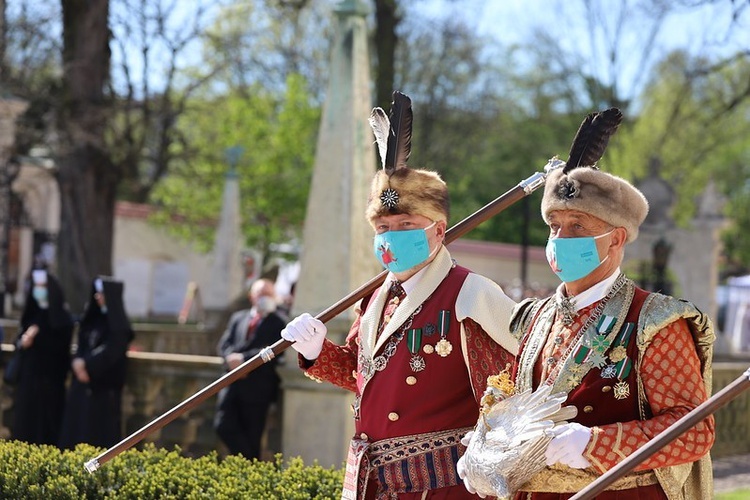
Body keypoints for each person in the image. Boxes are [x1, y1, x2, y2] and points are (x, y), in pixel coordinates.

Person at [462, 109, 715, 499]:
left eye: (577, 226)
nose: (561, 238)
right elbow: (512, 399)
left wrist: (595, 443)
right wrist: (484, 445)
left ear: (615, 240)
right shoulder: (535, 316)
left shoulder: (657, 321)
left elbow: (694, 431)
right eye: (554, 226)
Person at [281, 91, 518, 499]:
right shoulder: (375, 298)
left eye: (407, 223)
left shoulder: (471, 293)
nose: (392, 237)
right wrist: (318, 352)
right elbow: (362, 376)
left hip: (440, 485)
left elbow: (513, 389)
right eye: (383, 227)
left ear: (439, 230)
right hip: (370, 481)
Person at [214, 278, 286, 460]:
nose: (265, 298)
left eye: (269, 294)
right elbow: (224, 344)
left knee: (252, 436)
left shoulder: (279, 322)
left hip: (257, 389)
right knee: (223, 425)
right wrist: (231, 359)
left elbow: (275, 350)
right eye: (261, 294)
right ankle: (246, 463)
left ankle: (248, 470)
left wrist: (244, 360)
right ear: (252, 297)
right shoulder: (238, 317)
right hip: (231, 385)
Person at [59, 276, 134, 449]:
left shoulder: (118, 325)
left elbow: (112, 350)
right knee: (75, 431)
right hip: (81, 384)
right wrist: (78, 363)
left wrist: (86, 365)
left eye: (101, 293)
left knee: (97, 436)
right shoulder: (93, 320)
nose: (98, 297)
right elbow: (81, 343)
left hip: (103, 388)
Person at [10, 268, 75, 445]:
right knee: (25, 429)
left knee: (48, 432)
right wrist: (24, 341)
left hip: (51, 384)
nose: (39, 290)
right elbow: (18, 343)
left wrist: (39, 337)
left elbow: (60, 348)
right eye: (36, 286)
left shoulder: (63, 319)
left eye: (43, 286)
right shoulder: (31, 314)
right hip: (28, 384)